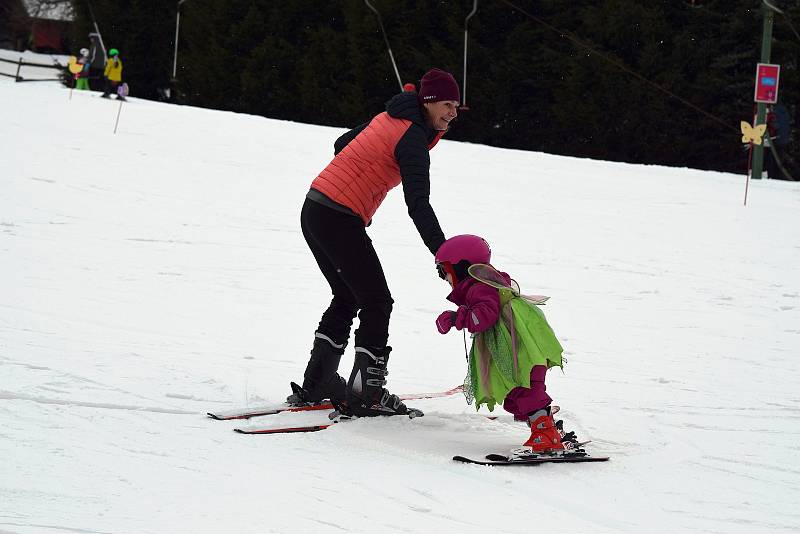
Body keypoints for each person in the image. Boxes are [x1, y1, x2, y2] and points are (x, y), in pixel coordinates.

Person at [288, 68, 460, 417]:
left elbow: (342, 144)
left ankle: (318, 383)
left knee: (349, 294)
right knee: (377, 301)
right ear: (426, 102)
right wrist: (444, 255)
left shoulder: (390, 116)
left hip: (316, 207)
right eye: (446, 104)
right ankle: (366, 395)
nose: (453, 113)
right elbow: (418, 204)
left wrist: (363, 176)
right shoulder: (411, 137)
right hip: (338, 218)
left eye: (456, 105)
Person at [434, 234, 578, 455]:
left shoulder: (480, 287)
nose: (445, 278)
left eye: (445, 271)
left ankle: (545, 434)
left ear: (461, 266)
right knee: (518, 391)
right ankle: (545, 427)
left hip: (518, 350)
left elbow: (484, 316)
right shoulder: (485, 283)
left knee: (524, 390)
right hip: (519, 348)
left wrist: (456, 319)